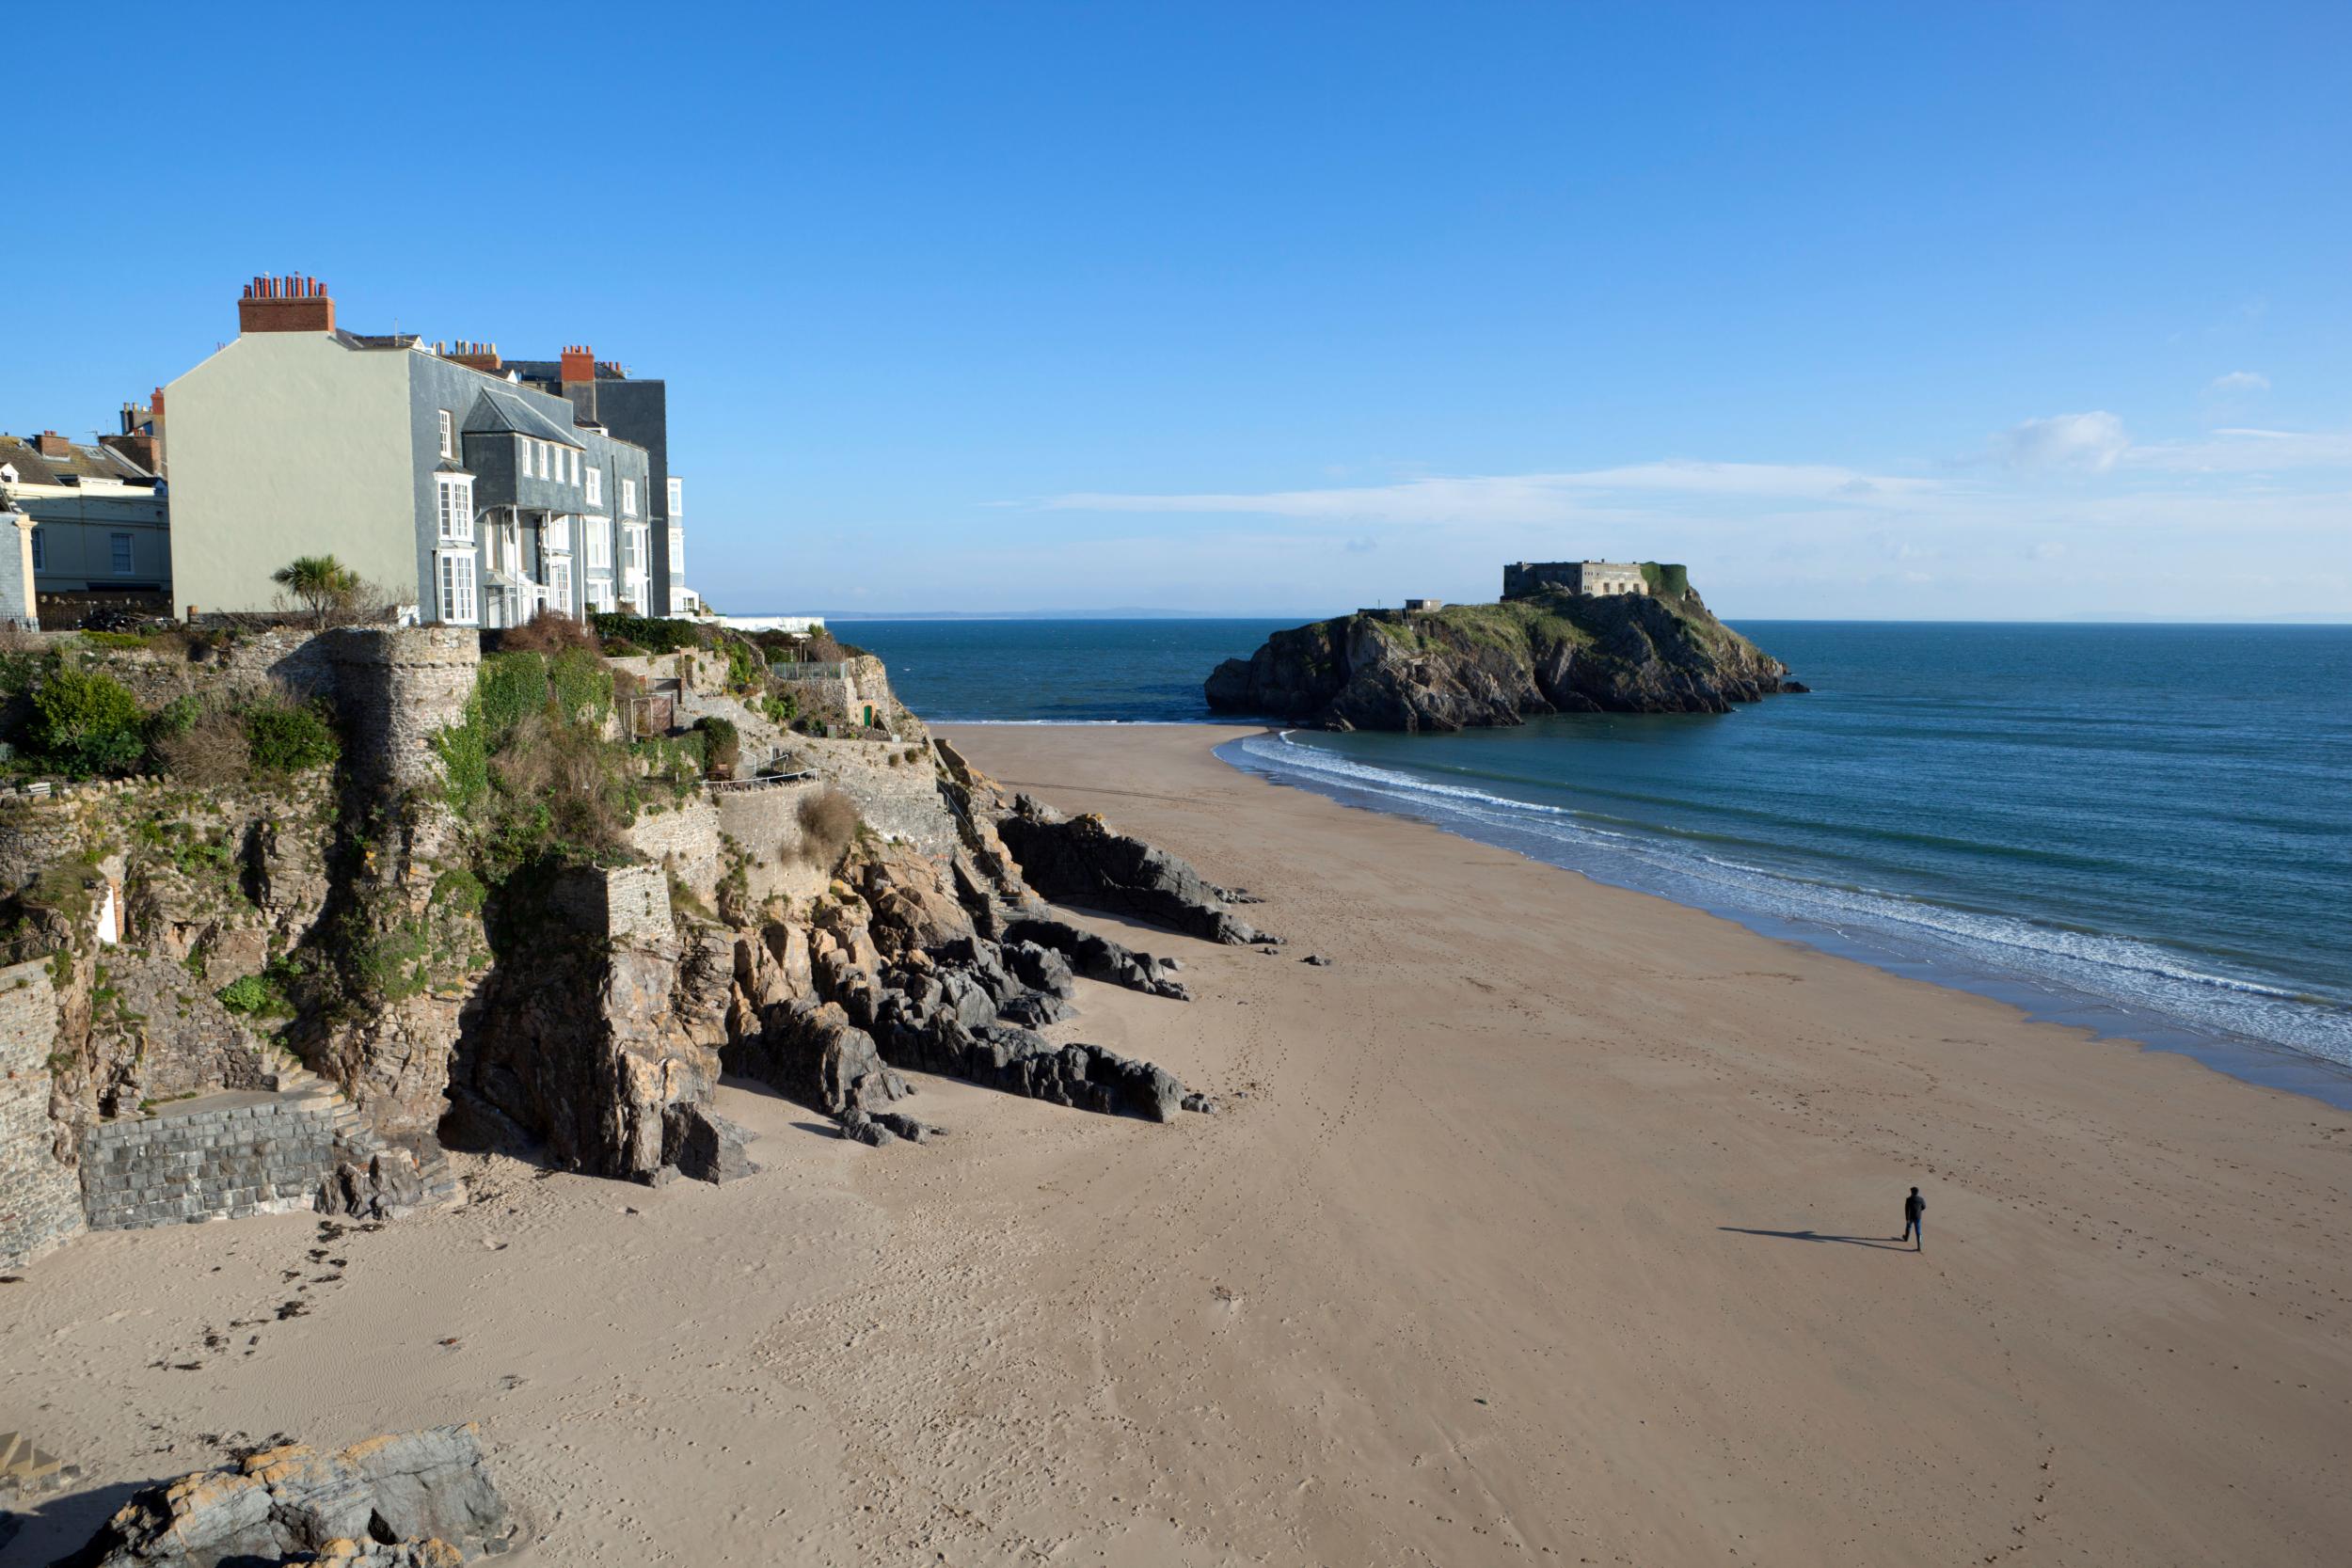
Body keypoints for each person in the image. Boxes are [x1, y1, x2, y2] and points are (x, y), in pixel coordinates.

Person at [1902, 1186, 1926, 1251]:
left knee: (1908, 1227)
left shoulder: (1909, 1199)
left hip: (1910, 1217)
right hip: (1918, 1217)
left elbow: (1906, 1210)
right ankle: (1919, 1246)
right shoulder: (1921, 1199)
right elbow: (1924, 1207)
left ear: (1912, 1192)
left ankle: (1906, 1238)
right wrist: (1919, 1210)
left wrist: (1907, 1219)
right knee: (1918, 1231)